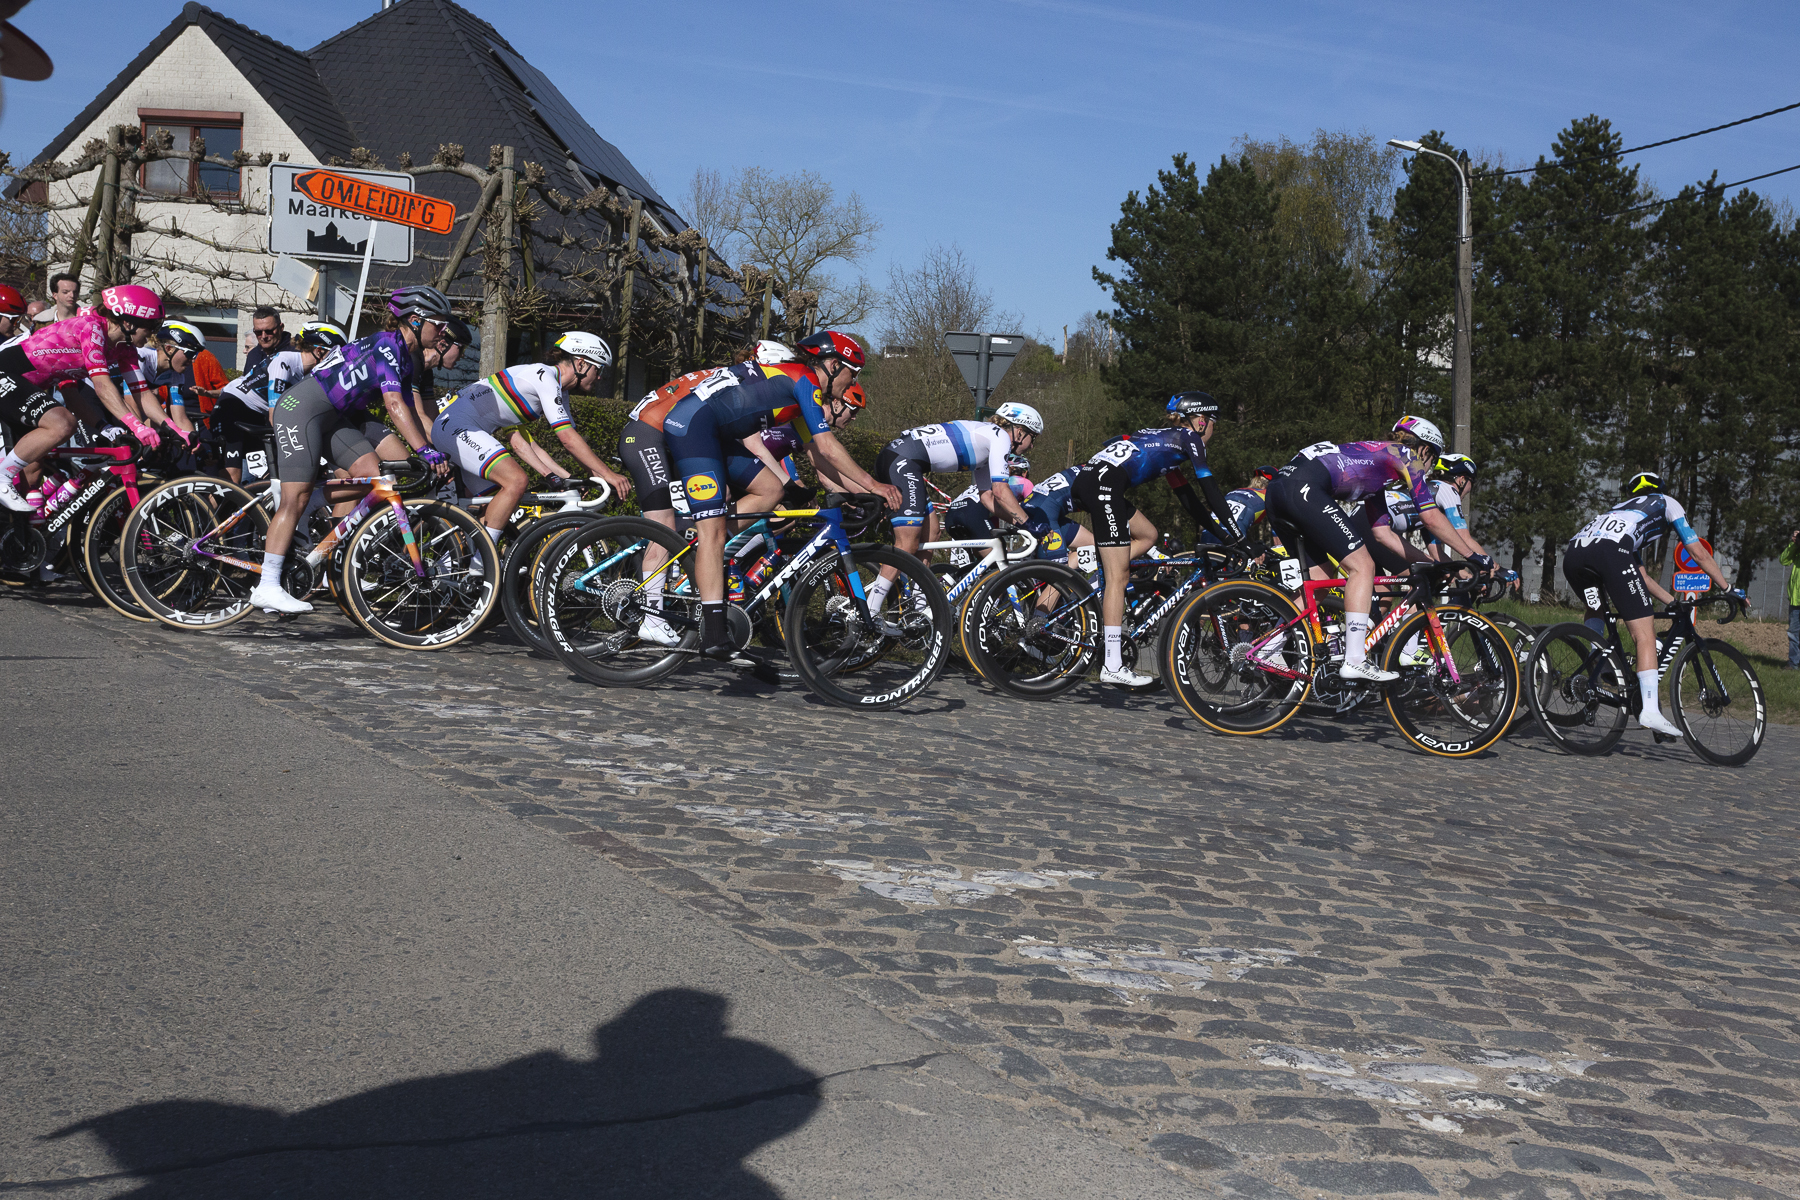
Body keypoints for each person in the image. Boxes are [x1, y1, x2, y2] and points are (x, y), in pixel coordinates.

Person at [662, 329, 898, 661]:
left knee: (772, 489)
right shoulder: (805, 381)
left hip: (716, 431)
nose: (852, 381)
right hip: (694, 428)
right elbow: (830, 446)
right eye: (852, 373)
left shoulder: (800, 387)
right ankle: (714, 635)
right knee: (713, 532)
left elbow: (819, 454)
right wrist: (875, 486)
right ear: (832, 365)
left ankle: (704, 543)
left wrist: (853, 494)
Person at [252, 285, 454, 614]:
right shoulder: (389, 346)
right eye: (439, 323)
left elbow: (411, 410)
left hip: (332, 418)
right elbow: (392, 403)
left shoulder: (407, 356)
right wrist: (423, 450)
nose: (444, 331)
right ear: (416, 320)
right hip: (300, 410)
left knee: (374, 477)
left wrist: (431, 450)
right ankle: (268, 584)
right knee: (295, 497)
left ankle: (321, 517)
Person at [1265, 415, 1492, 684]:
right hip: (1304, 487)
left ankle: (1270, 648)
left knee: (1322, 579)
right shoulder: (1405, 455)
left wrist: (1428, 564)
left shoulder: (1377, 464)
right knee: (1362, 567)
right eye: (1432, 460)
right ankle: (1355, 660)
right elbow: (1431, 517)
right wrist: (1473, 556)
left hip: (1279, 489)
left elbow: (1382, 533)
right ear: (1426, 449)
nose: (1428, 468)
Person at [1076, 392, 1236, 686]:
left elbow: (1190, 501)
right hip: (1104, 485)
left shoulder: (1168, 438)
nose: (1213, 429)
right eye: (1213, 422)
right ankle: (1112, 663)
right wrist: (1237, 537)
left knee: (1148, 534)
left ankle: (1092, 568)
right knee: (1119, 577)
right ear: (1201, 421)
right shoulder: (1189, 438)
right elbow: (1210, 491)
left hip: (1096, 480)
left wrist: (1224, 535)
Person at [1563, 471, 1740, 736]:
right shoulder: (1666, 502)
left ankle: (1595, 665)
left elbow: (1642, 576)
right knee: (1644, 634)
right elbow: (1698, 552)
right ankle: (1650, 711)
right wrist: (1728, 589)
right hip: (1610, 554)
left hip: (1575, 554)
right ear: (1660, 488)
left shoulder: (1619, 511)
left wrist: (1673, 602)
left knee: (1596, 607)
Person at [429, 331, 632, 549]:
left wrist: (585, 476)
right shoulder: (543, 376)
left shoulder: (556, 390)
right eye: (598, 369)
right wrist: (609, 474)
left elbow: (541, 443)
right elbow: (567, 439)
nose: (600, 376)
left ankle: (452, 564)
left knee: (495, 503)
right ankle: (484, 563)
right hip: (455, 428)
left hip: (460, 430)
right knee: (515, 481)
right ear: (581, 364)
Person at [0, 285, 172, 511]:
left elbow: (74, 392)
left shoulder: (121, 348)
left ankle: (18, 537)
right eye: (151, 325)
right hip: (7, 373)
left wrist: (173, 429)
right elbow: (102, 385)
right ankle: (2, 479)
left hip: (24, 387)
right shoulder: (92, 329)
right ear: (128, 322)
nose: (152, 334)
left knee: (32, 472)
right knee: (62, 424)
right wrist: (137, 427)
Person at [871, 401, 1043, 615]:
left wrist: (1018, 521)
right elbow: (1001, 491)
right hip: (903, 461)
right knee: (907, 543)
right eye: (1032, 437)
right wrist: (1030, 522)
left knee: (932, 531)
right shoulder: (999, 437)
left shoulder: (988, 440)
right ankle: (871, 610)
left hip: (904, 461)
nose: (1032, 446)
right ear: (1019, 432)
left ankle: (917, 601)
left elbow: (987, 497)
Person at [214, 321, 345, 481]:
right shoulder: (285, 361)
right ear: (319, 351)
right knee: (231, 480)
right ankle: (205, 506)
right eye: (334, 357)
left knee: (271, 475)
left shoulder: (308, 374)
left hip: (254, 415)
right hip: (232, 409)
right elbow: (274, 415)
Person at [243, 305, 290, 372]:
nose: (263, 336)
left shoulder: (295, 352)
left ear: (281, 328)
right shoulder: (253, 355)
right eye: (258, 332)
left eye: (269, 331)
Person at [1781, 528, 1800, 670]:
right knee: (1793, 633)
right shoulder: (1797, 549)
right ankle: (1793, 664)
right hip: (1795, 599)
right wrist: (1794, 544)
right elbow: (1784, 560)